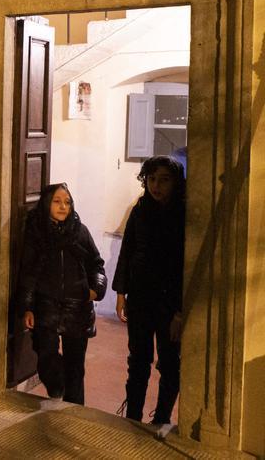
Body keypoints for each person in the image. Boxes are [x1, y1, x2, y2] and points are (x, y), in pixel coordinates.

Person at [17, 183, 107, 405]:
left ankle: (74, 412)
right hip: (46, 305)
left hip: (77, 307)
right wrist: (27, 307)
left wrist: (95, 290)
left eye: (67, 202)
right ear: (47, 203)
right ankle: (57, 389)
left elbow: (96, 264)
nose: (63, 206)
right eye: (57, 201)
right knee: (46, 356)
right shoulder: (36, 232)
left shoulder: (79, 231)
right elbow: (28, 271)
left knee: (75, 367)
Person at [112, 155, 185, 426]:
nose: (157, 186)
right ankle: (133, 417)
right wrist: (121, 292)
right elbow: (128, 251)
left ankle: (162, 418)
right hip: (141, 298)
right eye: (152, 179)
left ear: (176, 182)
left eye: (164, 180)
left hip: (169, 302)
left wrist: (180, 311)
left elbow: (184, 267)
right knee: (138, 360)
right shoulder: (141, 210)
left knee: (169, 363)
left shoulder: (184, 215)